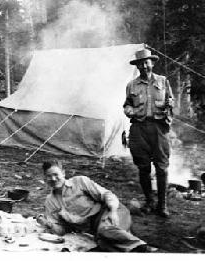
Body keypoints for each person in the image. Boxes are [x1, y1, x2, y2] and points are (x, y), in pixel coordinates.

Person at [36, 160, 158, 253]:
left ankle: (146, 249)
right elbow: (62, 231)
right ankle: (136, 250)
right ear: (45, 178)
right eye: (49, 176)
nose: (53, 179)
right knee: (102, 243)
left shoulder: (80, 181)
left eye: (56, 174)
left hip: (110, 211)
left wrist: (113, 211)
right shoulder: (50, 202)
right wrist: (48, 224)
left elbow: (106, 194)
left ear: (63, 173)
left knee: (105, 231)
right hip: (95, 229)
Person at [123, 48, 174, 218]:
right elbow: (127, 104)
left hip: (159, 128)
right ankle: (149, 201)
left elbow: (170, 102)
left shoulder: (163, 81)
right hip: (139, 128)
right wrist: (129, 110)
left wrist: (168, 112)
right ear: (137, 67)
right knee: (143, 167)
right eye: (140, 64)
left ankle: (162, 205)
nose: (144, 66)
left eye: (146, 62)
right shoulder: (132, 85)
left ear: (152, 63)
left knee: (162, 167)